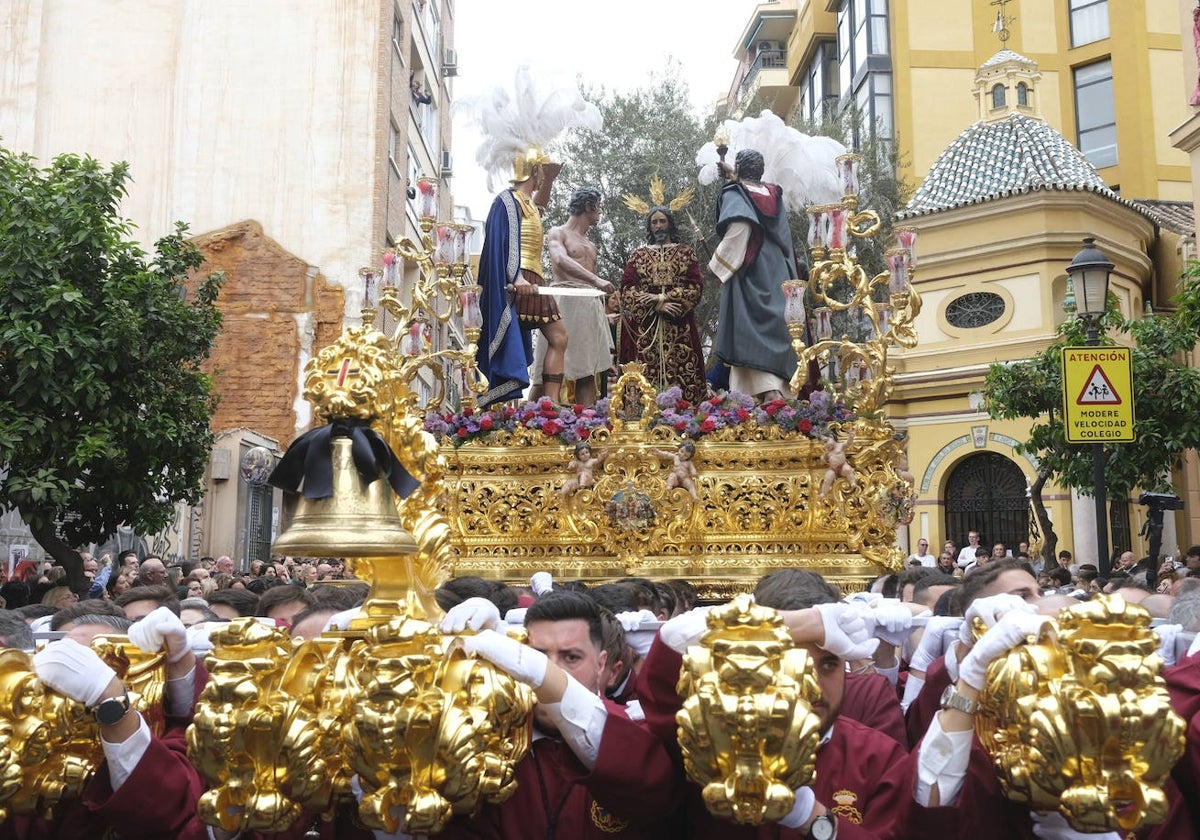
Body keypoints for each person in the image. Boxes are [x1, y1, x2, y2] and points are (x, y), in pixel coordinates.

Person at [438, 590, 679, 837]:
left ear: (602, 665)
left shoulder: (634, 732)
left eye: (571, 657)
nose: (554, 671)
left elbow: (654, 795)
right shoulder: (493, 742)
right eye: (538, 655)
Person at [708, 148, 801, 402]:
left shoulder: (735, 193)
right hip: (778, 269)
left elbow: (742, 226)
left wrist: (718, 266)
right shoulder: (774, 193)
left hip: (751, 268)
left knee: (751, 330)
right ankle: (779, 393)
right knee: (776, 326)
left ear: (739, 168)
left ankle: (768, 395)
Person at [476, 147, 567, 405]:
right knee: (558, 336)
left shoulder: (528, 203)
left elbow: (540, 204)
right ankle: (545, 403)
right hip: (520, 279)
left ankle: (549, 404)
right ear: (533, 170)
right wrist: (515, 277)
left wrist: (549, 178)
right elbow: (501, 242)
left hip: (534, 278)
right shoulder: (506, 201)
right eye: (541, 172)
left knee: (559, 337)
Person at [618, 203, 706, 404]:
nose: (658, 226)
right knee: (645, 373)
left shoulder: (685, 252)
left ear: (670, 224)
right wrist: (656, 306)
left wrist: (663, 298)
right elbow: (626, 289)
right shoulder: (639, 255)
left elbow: (695, 287)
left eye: (662, 221)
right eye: (654, 222)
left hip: (679, 325)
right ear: (649, 226)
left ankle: (685, 417)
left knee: (684, 371)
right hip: (647, 329)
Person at [534, 187, 614, 406]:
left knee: (587, 371)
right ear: (588, 206)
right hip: (565, 301)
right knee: (545, 370)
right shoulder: (558, 232)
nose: (599, 213)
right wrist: (597, 281)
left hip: (589, 305)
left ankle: (586, 425)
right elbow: (559, 259)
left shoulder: (590, 244)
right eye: (598, 207)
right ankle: (533, 419)